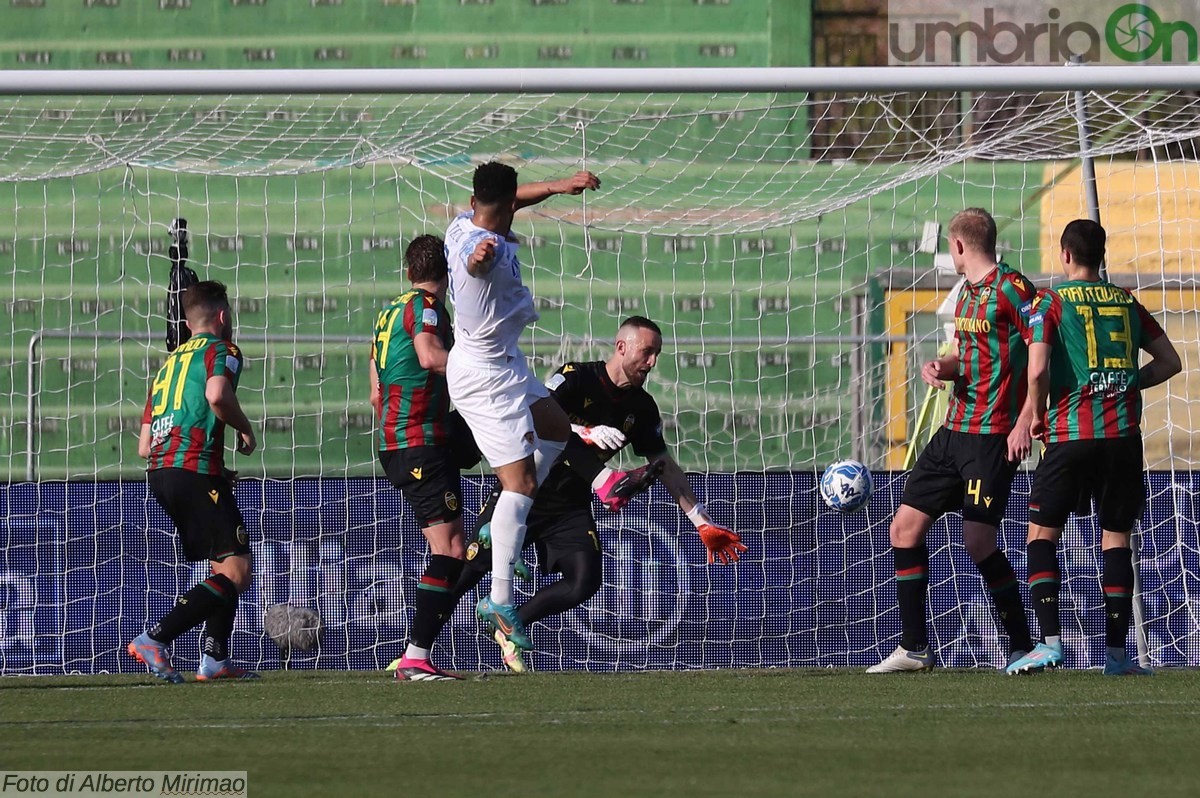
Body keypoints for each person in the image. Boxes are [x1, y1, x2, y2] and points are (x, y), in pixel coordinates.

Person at [444, 162, 660, 653]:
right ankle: (499, 601)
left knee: (557, 429)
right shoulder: (481, 249)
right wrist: (478, 261)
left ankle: (501, 527)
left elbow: (515, 200)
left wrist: (563, 186)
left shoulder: (463, 222)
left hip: (505, 361)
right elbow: (474, 266)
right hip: (485, 378)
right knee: (518, 482)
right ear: (499, 207)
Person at [451, 316, 747, 671]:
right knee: (469, 570)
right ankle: (416, 648)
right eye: (647, 352)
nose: (652, 362)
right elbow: (530, 413)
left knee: (584, 581)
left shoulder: (641, 407)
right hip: (527, 490)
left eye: (657, 355)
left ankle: (512, 623)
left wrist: (701, 522)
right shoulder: (575, 377)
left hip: (571, 504)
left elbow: (665, 465)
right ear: (621, 347)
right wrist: (584, 431)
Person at [1006, 219, 1181, 676]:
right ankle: (1118, 657)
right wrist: (1129, 385)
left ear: (1065, 255)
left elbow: (1039, 368)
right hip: (1122, 437)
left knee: (1041, 535)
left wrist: (1034, 414)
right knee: (1116, 538)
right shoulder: (1125, 301)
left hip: (1070, 435)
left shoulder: (1049, 302)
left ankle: (1050, 643)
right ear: (1101, 256)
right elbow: (1170, 362)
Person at [868, 208, 1036, 673]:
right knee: (903, 527)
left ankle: (1022, 646)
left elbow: (1041, 348)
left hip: (990, 437)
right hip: (953, 431)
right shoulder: (964, 295)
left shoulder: (1013, 288)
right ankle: (915, 648)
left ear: (960, 246)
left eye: (950, 246)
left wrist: (1028, 416)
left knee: (978, 541)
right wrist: (943, 367)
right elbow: (965, 354)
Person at [128, 280, 259, 683]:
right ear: (223, 316)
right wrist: (245, 428)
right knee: (237, 572)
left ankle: (215, 659)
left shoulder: (168, 364)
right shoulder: (223, 351)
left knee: (222, 564)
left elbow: (144, 445)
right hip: (192, 468)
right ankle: (155, 638)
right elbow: (218, 395)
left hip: (162, 472)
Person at [369, 234, 471, 682]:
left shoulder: (387, 314)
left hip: (400, 440)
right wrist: (478, 368)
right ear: (445, 270)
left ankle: (417, 654)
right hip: (419, 440)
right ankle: (415, 656)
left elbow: (375, 392)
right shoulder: (427, 306)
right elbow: (431, 357)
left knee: (449, 544)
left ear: (407, 269)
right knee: (449, 547)